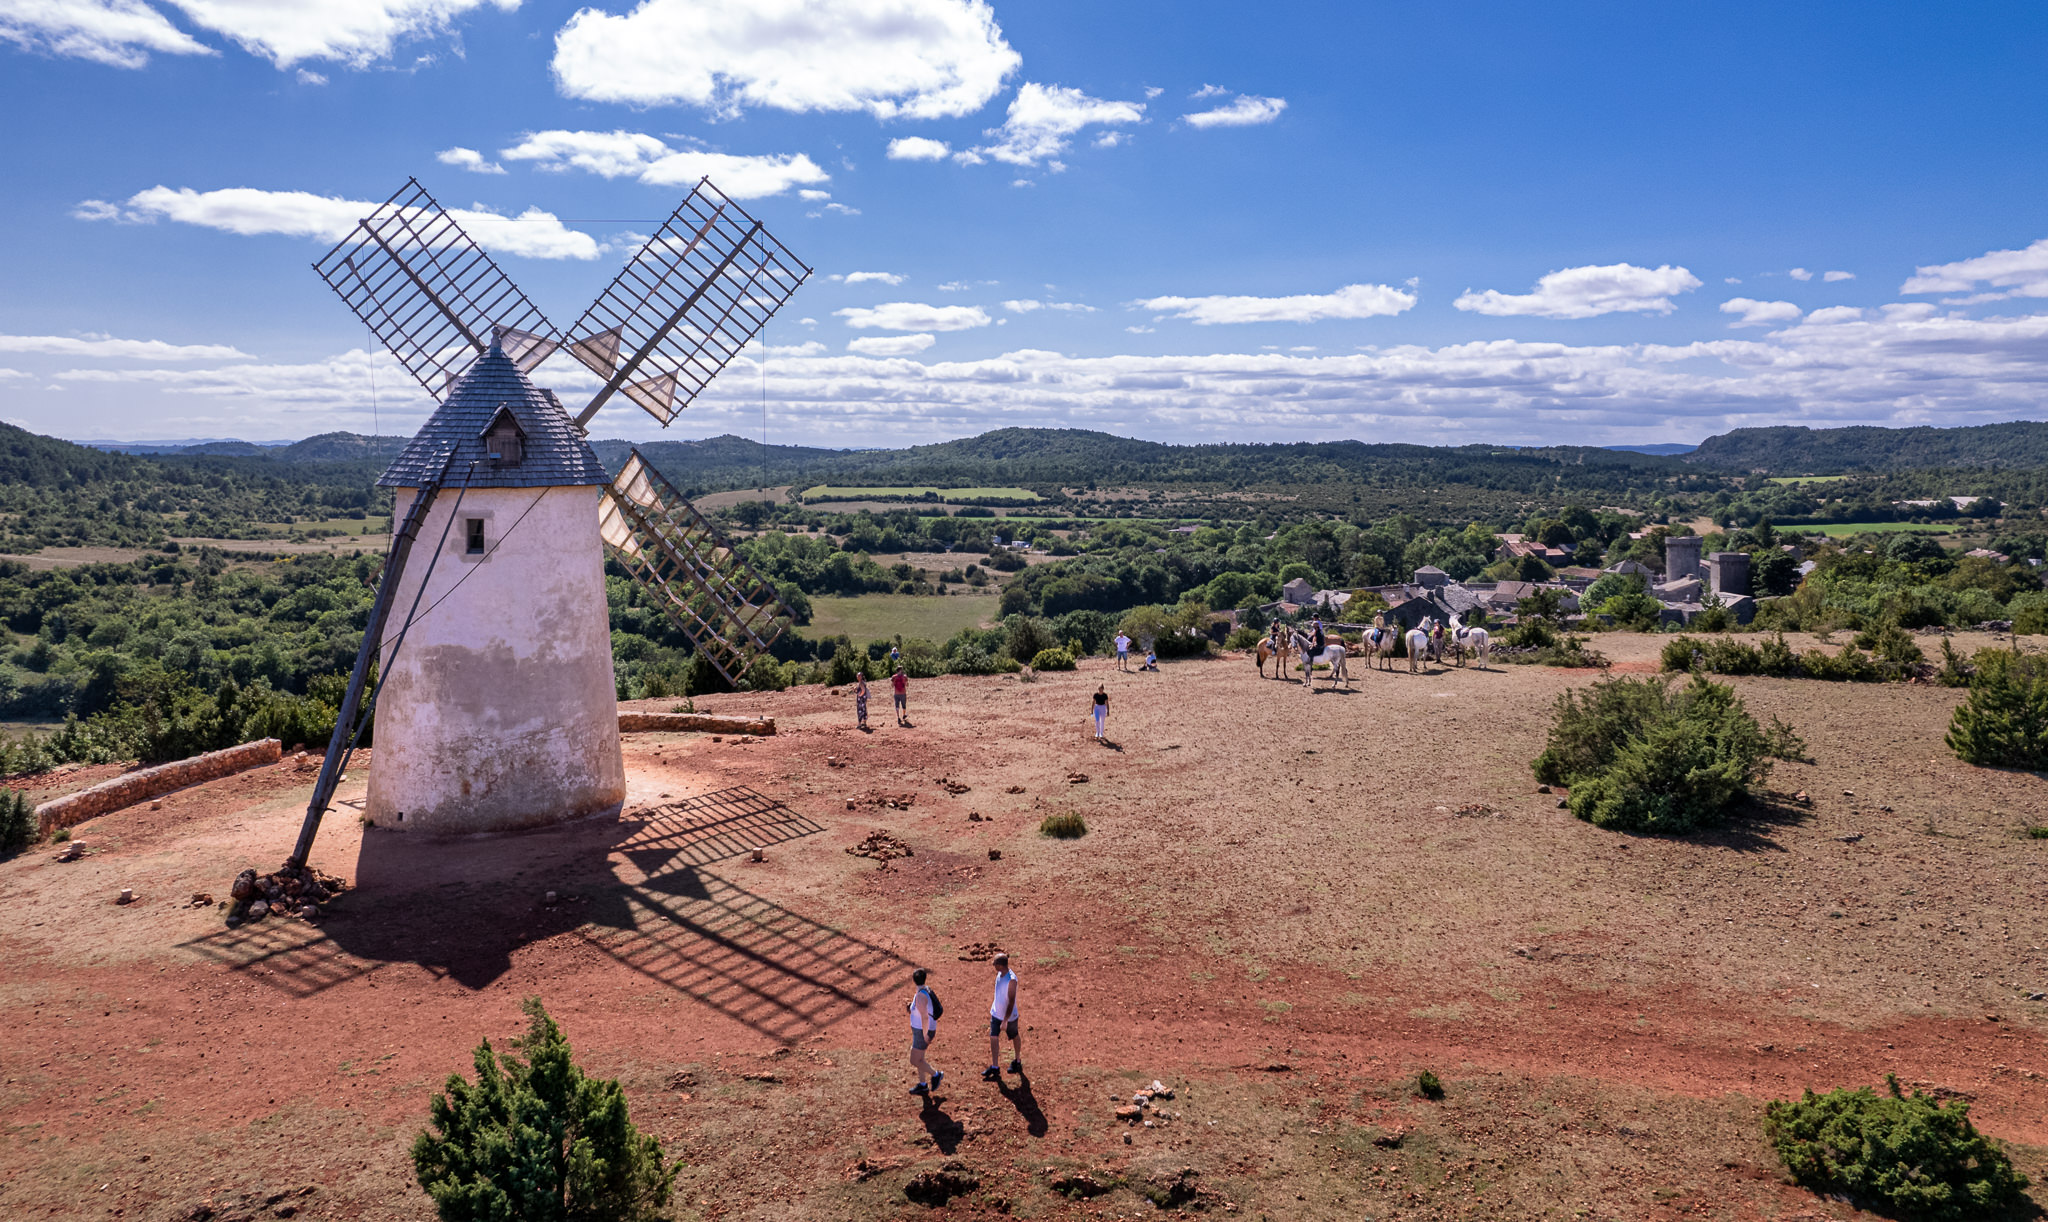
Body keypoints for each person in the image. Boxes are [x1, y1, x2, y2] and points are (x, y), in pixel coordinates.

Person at [982, 952, 1021, 1080]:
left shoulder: (1011, 980)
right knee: (993, 1037)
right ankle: (995, 1067)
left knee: (1014, 1036)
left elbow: (1011, 1001)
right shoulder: (1000, 974)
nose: (993, 965)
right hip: (996, 1014)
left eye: (995, 963)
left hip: (1009, 1017)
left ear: (1000, 965)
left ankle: (1017, 1060)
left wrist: (1005, 1021)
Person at [907, 968, 943, 1096]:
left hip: (922, 1031)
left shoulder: (921, 995)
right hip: (920, 1030)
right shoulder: (923, 991)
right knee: (920, 1059)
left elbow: (925, 1017)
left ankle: (936, 1074)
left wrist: (925, 1035)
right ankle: (922, 1085)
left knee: (914, 1060)